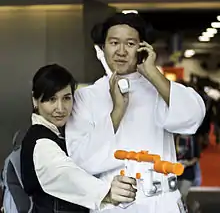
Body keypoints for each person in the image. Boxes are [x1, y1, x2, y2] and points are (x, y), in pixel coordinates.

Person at [65, 13, 206, 213]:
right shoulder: (87, 97)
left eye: (130, 44)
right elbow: (79, 158)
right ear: (102, 47)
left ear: (142, 48)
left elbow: (193, 117)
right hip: (113, 205)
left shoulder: (159, 88)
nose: (121, 51)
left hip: (161, 202)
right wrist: (117, 112)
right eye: (114, 42)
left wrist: (153, 73)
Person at [20, 64, 137, 213]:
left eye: (67, 98)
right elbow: (64, 172)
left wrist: (118, 110)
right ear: (35, 101)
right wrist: (107, 192)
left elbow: (92, 149)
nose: (60, 108)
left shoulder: (56, 134)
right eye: (51, 99)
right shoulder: (41, 142)